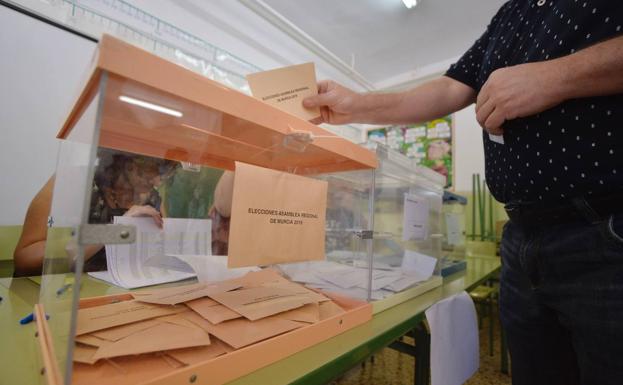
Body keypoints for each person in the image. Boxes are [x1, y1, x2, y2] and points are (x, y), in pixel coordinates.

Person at [303, 2, 623, 384]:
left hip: (605, 228)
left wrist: (557, 76)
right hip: (522, 238)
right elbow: (447, 89)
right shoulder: (509, 14)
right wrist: (356, 105)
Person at [13, 150, 178, 276]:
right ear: (129, 161)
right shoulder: (74, 181)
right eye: (155, 170)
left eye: (166, 173)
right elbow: (25, 258)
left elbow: (162, 250)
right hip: (57, 298)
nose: (157, 181)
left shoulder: (152, 197)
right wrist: (113, 231)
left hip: (117, 293)